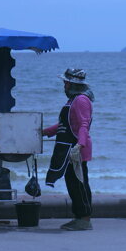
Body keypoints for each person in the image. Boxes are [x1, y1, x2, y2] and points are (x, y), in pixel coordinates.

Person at [44, 68, 94, 231]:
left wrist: (79, 146)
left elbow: (83, 125)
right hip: (69, 150)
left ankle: (85, 219)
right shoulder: (72, 100)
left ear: (73, 84)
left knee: (79, 184)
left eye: (66, 82)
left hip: (76, 151)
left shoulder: (81, 100)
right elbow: (65, 124)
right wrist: (45, 132)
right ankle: (78, 216)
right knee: (72, 183)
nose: (64, 85)